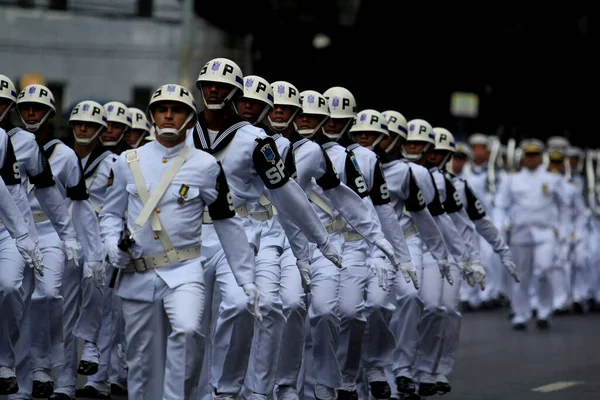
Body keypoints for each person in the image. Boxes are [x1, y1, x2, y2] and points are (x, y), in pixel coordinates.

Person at [188, 58, 341, 400]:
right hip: (189, 234)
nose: (215, 91)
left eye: (224, 87)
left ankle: (230, 389)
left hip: (242, 233)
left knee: (247, 307)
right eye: (209, 84)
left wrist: (317, 240)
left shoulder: (260, 141)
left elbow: (288, 197)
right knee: (189, 322)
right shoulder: (185, 131)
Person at [99, 83, 257, 399]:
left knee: (187, 333)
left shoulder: (206, 165)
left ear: (189, 117)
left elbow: (227, 223)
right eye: (162, 109)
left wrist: (246, 278)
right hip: (138, 272)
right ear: (152, 115)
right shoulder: (128, 160)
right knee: (141, 356)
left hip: (184, 271)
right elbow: (110, 215)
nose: (169, 115)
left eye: (177, 109)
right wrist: (108, 245)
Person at [494, 139, 571, 330]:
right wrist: (499, 225)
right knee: (521, 275)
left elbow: (565, 206)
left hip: (545, 232)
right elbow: (500, 204)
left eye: (535, 155)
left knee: (544, 269)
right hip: (521, 231)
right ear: (523, 157)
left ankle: (544, 311)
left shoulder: (552, 178)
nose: (531, 159)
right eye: (528, 155)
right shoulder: (512, 179)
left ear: (541, 157)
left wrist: (564, 229)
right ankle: (521, 314)